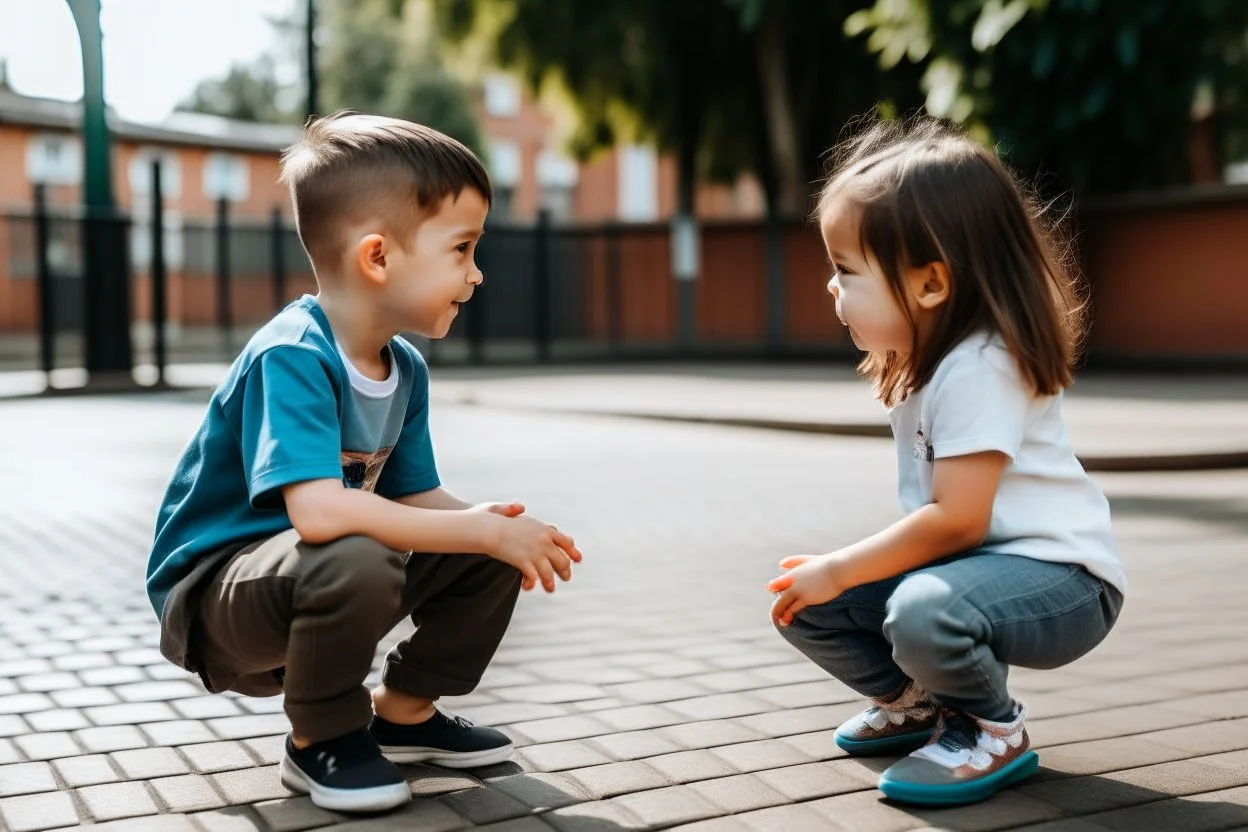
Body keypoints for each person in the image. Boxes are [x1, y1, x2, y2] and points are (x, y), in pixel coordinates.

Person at [145, 111, 583, 813]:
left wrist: (495, 528)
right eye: (463, 249)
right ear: (377, 257)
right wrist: (476, 528)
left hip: (318, 574)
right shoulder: (293, 354)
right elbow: (318, 512)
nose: (476, 274)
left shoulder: (403, 368)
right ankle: (321, 739)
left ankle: (404, 714)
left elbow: (414, 499)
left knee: (489, 541)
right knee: (358, 547)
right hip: (219, 601)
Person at [768, 115, 1125, 807]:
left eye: (846, 270)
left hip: (1067, 582)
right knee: (807, 604)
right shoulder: (923, 363)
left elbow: (958, 521)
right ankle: (921, 706)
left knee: (918, 610)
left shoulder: (981, 365)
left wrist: (841, 565)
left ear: (930, 284)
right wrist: (831, 579)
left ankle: (991, 728)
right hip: (975, 574)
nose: (831, 288)